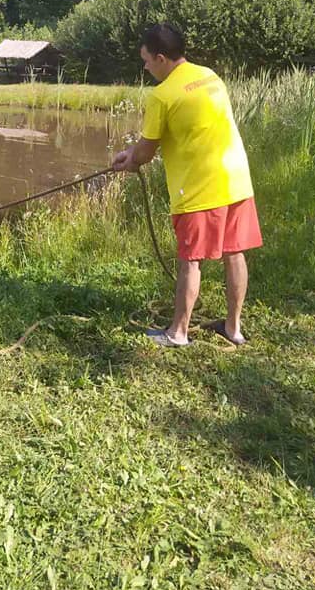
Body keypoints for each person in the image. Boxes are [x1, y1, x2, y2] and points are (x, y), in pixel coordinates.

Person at [112, 22, 262, 347]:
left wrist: (129, 159)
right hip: (236, 178)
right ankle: (233, 329)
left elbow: (146, 151)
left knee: (189, 259)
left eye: (147, 60)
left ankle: (177, 333)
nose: (146, 66)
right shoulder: (210, 75)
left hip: (199, 188)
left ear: (162, 58)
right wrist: (135, 154)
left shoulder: (162, 95)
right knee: (234, 253)